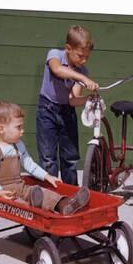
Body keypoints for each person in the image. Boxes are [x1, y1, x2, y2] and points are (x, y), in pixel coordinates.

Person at [0, 101, 90, 215]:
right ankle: (35, 209)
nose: (22, 130)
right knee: (18, 204)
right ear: (1, 129)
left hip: (19, 186)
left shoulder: (17, 145)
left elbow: (29, 164)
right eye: (18, 127)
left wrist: (47, 176)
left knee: (43, 193)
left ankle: (67, 204)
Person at [36, 25, 99, 185]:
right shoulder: (55, 55)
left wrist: (89, 98)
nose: (83, 60)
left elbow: (73, 99)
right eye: (80, 56)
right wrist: (83, 79)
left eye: (87, 57)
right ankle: (51, 195)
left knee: (70, 158)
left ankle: (71, 194)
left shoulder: (82, 71)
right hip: (47, 110)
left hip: (67, 112)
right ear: (68, 48)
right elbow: (57, 70)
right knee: (48, 158)